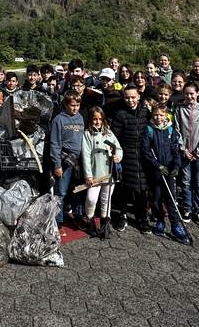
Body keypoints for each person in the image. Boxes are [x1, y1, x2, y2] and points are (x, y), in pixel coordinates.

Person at [142, 105, 189, 242]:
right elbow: (146, 151)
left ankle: (175, 224)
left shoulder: (170, 129)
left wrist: (176, 165)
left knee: (171, 199)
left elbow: (176, 150)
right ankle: (159, 220)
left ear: (166, 116)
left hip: (169, 170)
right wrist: (157, 166)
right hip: (156, 171)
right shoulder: (149, 129)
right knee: (156, 198)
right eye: (155, 115)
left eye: (161, 115)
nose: (158, 118)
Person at [109, 85, 149, 232]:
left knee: (142, 188)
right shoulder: (120, 114)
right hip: (126, 155)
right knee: (125, 187)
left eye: (133, 97)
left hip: (143, 154)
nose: (130, 100)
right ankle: (122, 215)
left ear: (138, 96)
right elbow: (114, 136)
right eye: (127, 97)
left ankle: (142, 217)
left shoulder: (146, 112)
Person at [81, 107, 122, 238]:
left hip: (108, 173)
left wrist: (117, 156)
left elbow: (118, 148)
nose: (97, 122)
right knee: (91, 198)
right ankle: (90, 221)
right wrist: (88, 175)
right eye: (95, 119)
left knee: (106, 199)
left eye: (100, 119)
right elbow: (86, 156)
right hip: (95, 174)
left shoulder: (108, 133)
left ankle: (105, 224)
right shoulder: (87, 134)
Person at [174, 84, 199, 226]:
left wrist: (198, 151)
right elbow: (177, 130)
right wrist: (184, 150)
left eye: (192, 94)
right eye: (186, 94)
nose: (189, 96)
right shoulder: (179, 110)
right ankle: (187, 209)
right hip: (184, 153)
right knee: (185, 181)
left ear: (197, 94)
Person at [49, 89, 85, 226]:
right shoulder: (59, 119)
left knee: (77, 189)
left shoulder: (80, 117)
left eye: (77, 105)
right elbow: (55, 143)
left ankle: (73, 212)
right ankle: (58, 221)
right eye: (72, 105)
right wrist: (57, 165)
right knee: (61, 192)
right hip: (64, 159)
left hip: (78, 159)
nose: (75, 108)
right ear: (66, 104)